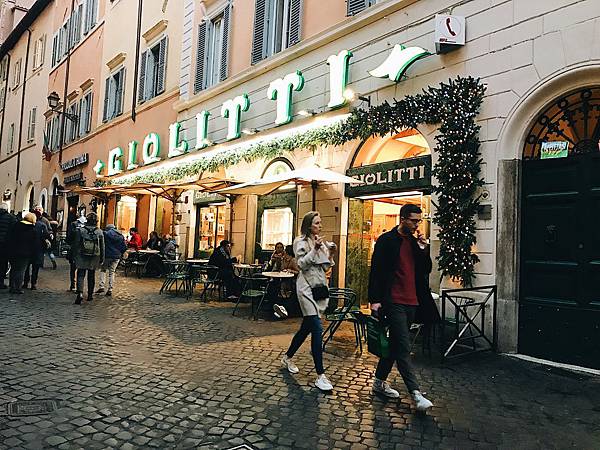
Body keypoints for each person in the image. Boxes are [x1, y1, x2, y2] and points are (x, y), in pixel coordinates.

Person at [368, 204, 440, 413]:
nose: (417, 224)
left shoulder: (415, 242)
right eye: (414, 220)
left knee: (394, 345)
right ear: (402, 219)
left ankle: (379, 382)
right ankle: (416, 394)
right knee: (403, 345)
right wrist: (374, 300)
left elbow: (426, 270)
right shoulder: (386, 241)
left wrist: (423, 248)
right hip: (394, 300)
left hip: (413, 301)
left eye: (419, 221)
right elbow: (376, 272)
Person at [281, 211, 336, 392]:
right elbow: (302, 264)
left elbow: (326, 266)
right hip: (305, 289)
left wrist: (331, 254)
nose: (320, 226)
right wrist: (315, 249)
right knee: (317, 327)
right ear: (308, 225)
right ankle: (320, 375)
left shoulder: (320, 241)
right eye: (317, 223)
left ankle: (288, 357)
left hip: (319, 287)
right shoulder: (300, 242)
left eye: (320, 223)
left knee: (307, 327)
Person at [72, 213, 104, 304]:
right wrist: (102, 257)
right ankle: (90, 295)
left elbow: (76, 244)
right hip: (94, 256)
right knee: (91, 275)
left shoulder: (81, 230)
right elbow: (102, 246)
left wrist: (74, 255)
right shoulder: (99, 231)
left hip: (82, 255)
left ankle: (80, 293)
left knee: (81, 274)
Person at [7, 212, 37, 294]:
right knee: (21, 270)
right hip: (25, 253)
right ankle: (17, 287)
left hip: (13, 251)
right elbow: (33, 244)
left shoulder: (16, 226)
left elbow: (10, 238)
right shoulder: (32, 230)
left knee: (13, 269)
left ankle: (12, 286)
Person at [23, 209, 51, 290]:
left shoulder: (26, 225)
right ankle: (33, 284)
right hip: (38, 249)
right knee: (35, 268)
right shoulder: (42, 225)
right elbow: (46, 235)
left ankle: (25, 282)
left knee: (26, 267)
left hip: (27, 248)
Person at [96, 224, 126, 296]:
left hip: (107, 255)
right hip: (116, 256)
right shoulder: (120, 236)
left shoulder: (105, 234)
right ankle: (110, 289)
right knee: (112, 272)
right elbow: (124, 247)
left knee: (103, 270)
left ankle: (101, 286)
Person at [66, 215, 86, 291]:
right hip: (85, 251)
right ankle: (80, 287)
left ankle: (73, 285)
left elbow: (69, 238)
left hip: (75, 249)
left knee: (73, 268)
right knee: (82, 270)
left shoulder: (73, 224)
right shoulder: (89, 226)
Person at [0, 203, 16, 289]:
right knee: (3, 263)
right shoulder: (11, 218)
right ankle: (1, 282)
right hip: (5, 244)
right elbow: (14, 231)